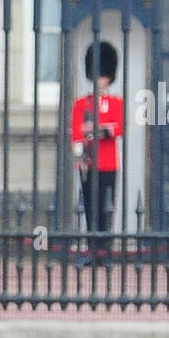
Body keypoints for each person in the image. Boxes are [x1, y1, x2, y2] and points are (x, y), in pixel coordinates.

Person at [71, 41, 123, 239]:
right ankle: (93, 252)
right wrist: (80, 150)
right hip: (88, 163)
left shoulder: (116, 103)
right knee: (90, 210)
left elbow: (119, 127)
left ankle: (105, 251)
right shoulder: (81, 104)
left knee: (106, 210)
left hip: (109, 164)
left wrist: (99, 129)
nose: (99, 79)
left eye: (102, 75)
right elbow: (75, 133)